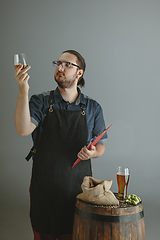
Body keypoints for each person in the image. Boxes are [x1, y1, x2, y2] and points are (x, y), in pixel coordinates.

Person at [15, 50, 107, 240]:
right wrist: (23, 90)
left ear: (79, 73)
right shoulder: (40, 101)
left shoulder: (93, 108)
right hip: (44, 185)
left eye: (67, 64)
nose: (60, 67)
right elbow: (23, 130)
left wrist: (92, 153)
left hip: (79, 188)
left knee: (76, 234)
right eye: (58, 63)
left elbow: (101, 147)